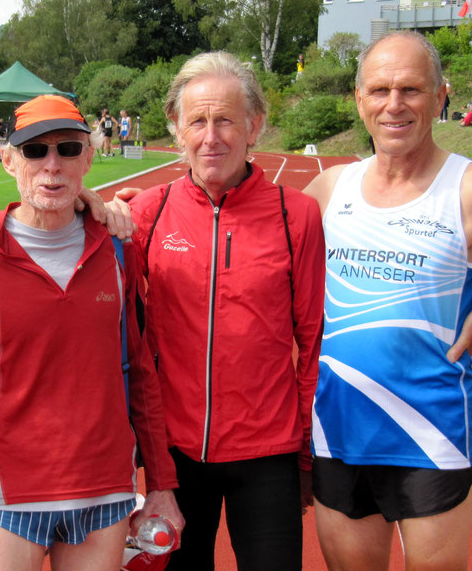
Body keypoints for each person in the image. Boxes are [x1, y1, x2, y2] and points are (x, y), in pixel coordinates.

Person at [302, 30, 472, 570]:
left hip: (432, 429)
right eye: (379, 90)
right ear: (359, 100)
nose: (393, 104)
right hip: (338, 423)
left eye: (411, 90)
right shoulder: (332, 189)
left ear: (441, 95)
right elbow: (252, 239)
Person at [0, 94, 184, 571]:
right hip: (10, 497)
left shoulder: (117, 248)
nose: (52, 165)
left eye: (68, 150)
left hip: (104, 491)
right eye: (34, 151)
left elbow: (142, 376)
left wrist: (161, 486)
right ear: (8, 160)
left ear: (88, 158)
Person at [106, 51, 326, 570]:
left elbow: (314, 340)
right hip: (174, 459)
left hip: (268, 453)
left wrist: (305, 452)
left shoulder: (297, 216)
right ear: (176, 129)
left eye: (225, 119)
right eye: (197, 121)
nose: (211, 137)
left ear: (255, 125)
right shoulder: (146, 212)